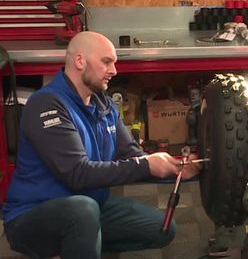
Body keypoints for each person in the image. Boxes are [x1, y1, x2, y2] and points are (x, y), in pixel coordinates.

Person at [2, 31, 200, 258]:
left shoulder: (104, 106)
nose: (114, 71)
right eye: (106, 62)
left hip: (90, 208)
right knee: (81, 211)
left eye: (114, 63)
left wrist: (179, 168)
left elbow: (132, 156)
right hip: (32, 215)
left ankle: (77, 246)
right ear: (79, 61)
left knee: (162, 229)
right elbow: (77, 174)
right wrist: (147, 165)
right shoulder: (47, 105)